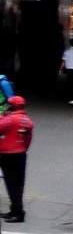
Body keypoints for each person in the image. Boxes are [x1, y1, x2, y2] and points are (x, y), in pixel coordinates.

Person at [0, 95, 34, 223]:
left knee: (11, 184)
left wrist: (2, 116)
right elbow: (28, 139)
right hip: (20, 154)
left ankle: (18, 213)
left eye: (8, 104)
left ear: (12, 106)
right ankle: (15, 210)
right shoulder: (27, 120)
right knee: (18, 184)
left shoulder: (10, 119)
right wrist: (23, 149)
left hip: (8, 154)